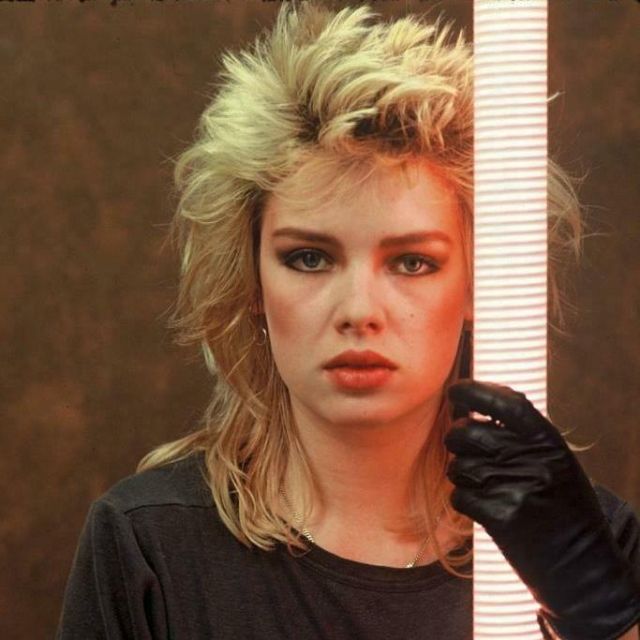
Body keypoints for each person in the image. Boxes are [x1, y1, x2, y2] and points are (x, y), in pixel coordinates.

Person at [56, 1, 640, 638]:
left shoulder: (593, 548)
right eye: (309, 258)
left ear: (483, 283)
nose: (359, 311)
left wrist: (599, 612)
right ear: (252, 281)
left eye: (413, 262)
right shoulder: (149, 549)